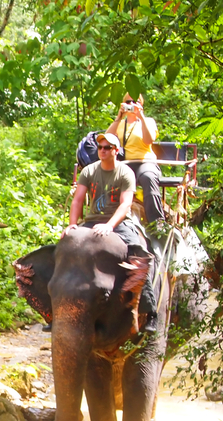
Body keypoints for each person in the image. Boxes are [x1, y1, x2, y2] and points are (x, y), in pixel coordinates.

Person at [66, 132, 158, 333]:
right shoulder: (89, 171)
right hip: (91, 221)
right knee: (64, 249)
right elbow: (78, 199)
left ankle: (150, 311)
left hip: (118, 223)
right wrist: (72, 225)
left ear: (116, 151)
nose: (103, 151)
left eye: (107, 148)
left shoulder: (125, 173)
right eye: (100, 148)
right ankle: (54, 311)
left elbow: (126, 204)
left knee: (139, 254)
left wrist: (109, 225)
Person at [106, 93, 164, 225]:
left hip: (145, 162)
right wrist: (119, 117)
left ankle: (156, 223)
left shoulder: (148, 121)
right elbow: (107, 140)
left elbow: (149, 140)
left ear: (141, 104)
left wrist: (141, 117)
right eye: (128, 102)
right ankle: (108, 216)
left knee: (148, 177)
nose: (132, 104)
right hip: (126, 163)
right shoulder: (120, 123)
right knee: (112, 177)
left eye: (135, 102)